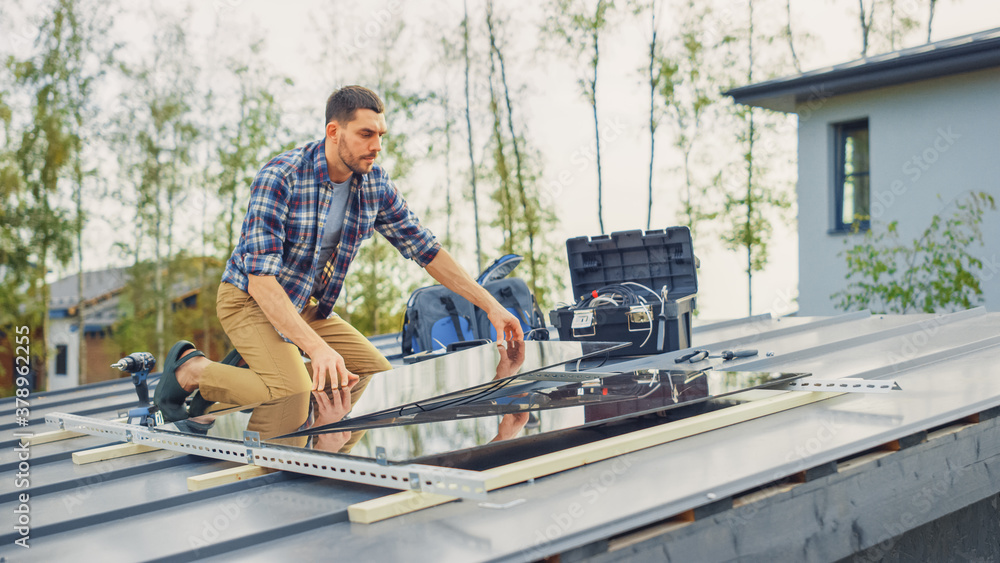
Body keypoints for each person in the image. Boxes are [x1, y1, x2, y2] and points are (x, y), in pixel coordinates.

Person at [154, 85, 524, 451]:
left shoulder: (374, 184)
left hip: (303, 304)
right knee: (294, 390)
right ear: (334, 132)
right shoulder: (281, 177)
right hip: (248, 300)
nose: (376, 145)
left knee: (374, 376)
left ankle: (313, 444)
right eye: (365, 134)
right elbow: (261, 281)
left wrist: (491, 306)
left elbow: (427, 250)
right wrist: (316, 349)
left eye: (380, 135)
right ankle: (194, 371)